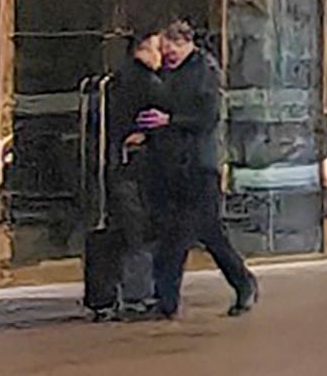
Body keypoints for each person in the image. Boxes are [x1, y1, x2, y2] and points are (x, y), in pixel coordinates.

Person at [138, 17, 259, 321]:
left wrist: (170, 120)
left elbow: (208, 115)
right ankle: (167, 299)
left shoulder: (205, 70)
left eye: (171, 49)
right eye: (164, 51)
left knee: (201, 233)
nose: (167, 56)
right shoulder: (166, 72)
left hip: (199, 166)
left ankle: (241, 283)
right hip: (172, 167)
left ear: (185, 42)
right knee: (177, 234)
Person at [88, 27, 167, 320]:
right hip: (133, 169)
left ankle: (103, 298)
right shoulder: (147, 83)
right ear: (144, 50)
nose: (162, 56)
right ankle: (138, 296)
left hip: (112, 167)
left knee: (112, 233)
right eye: (158, 49)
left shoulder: (113, 82)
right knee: (138, 233)